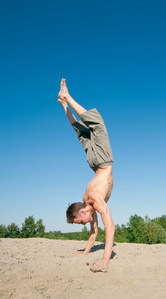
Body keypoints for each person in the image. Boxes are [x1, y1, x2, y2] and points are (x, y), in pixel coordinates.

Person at [57, 78, 115, 272]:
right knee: (82, 133)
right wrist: (85, 252)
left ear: (82, 212)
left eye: (80, 222)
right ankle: (64, 105)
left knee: (96, 123)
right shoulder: (87, 201)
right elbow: (95, 231)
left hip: (102, 162)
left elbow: (110, 227)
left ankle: (67, 99)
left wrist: (105, 260)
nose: (83, 225)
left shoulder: (94, 199)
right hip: (95, 164)